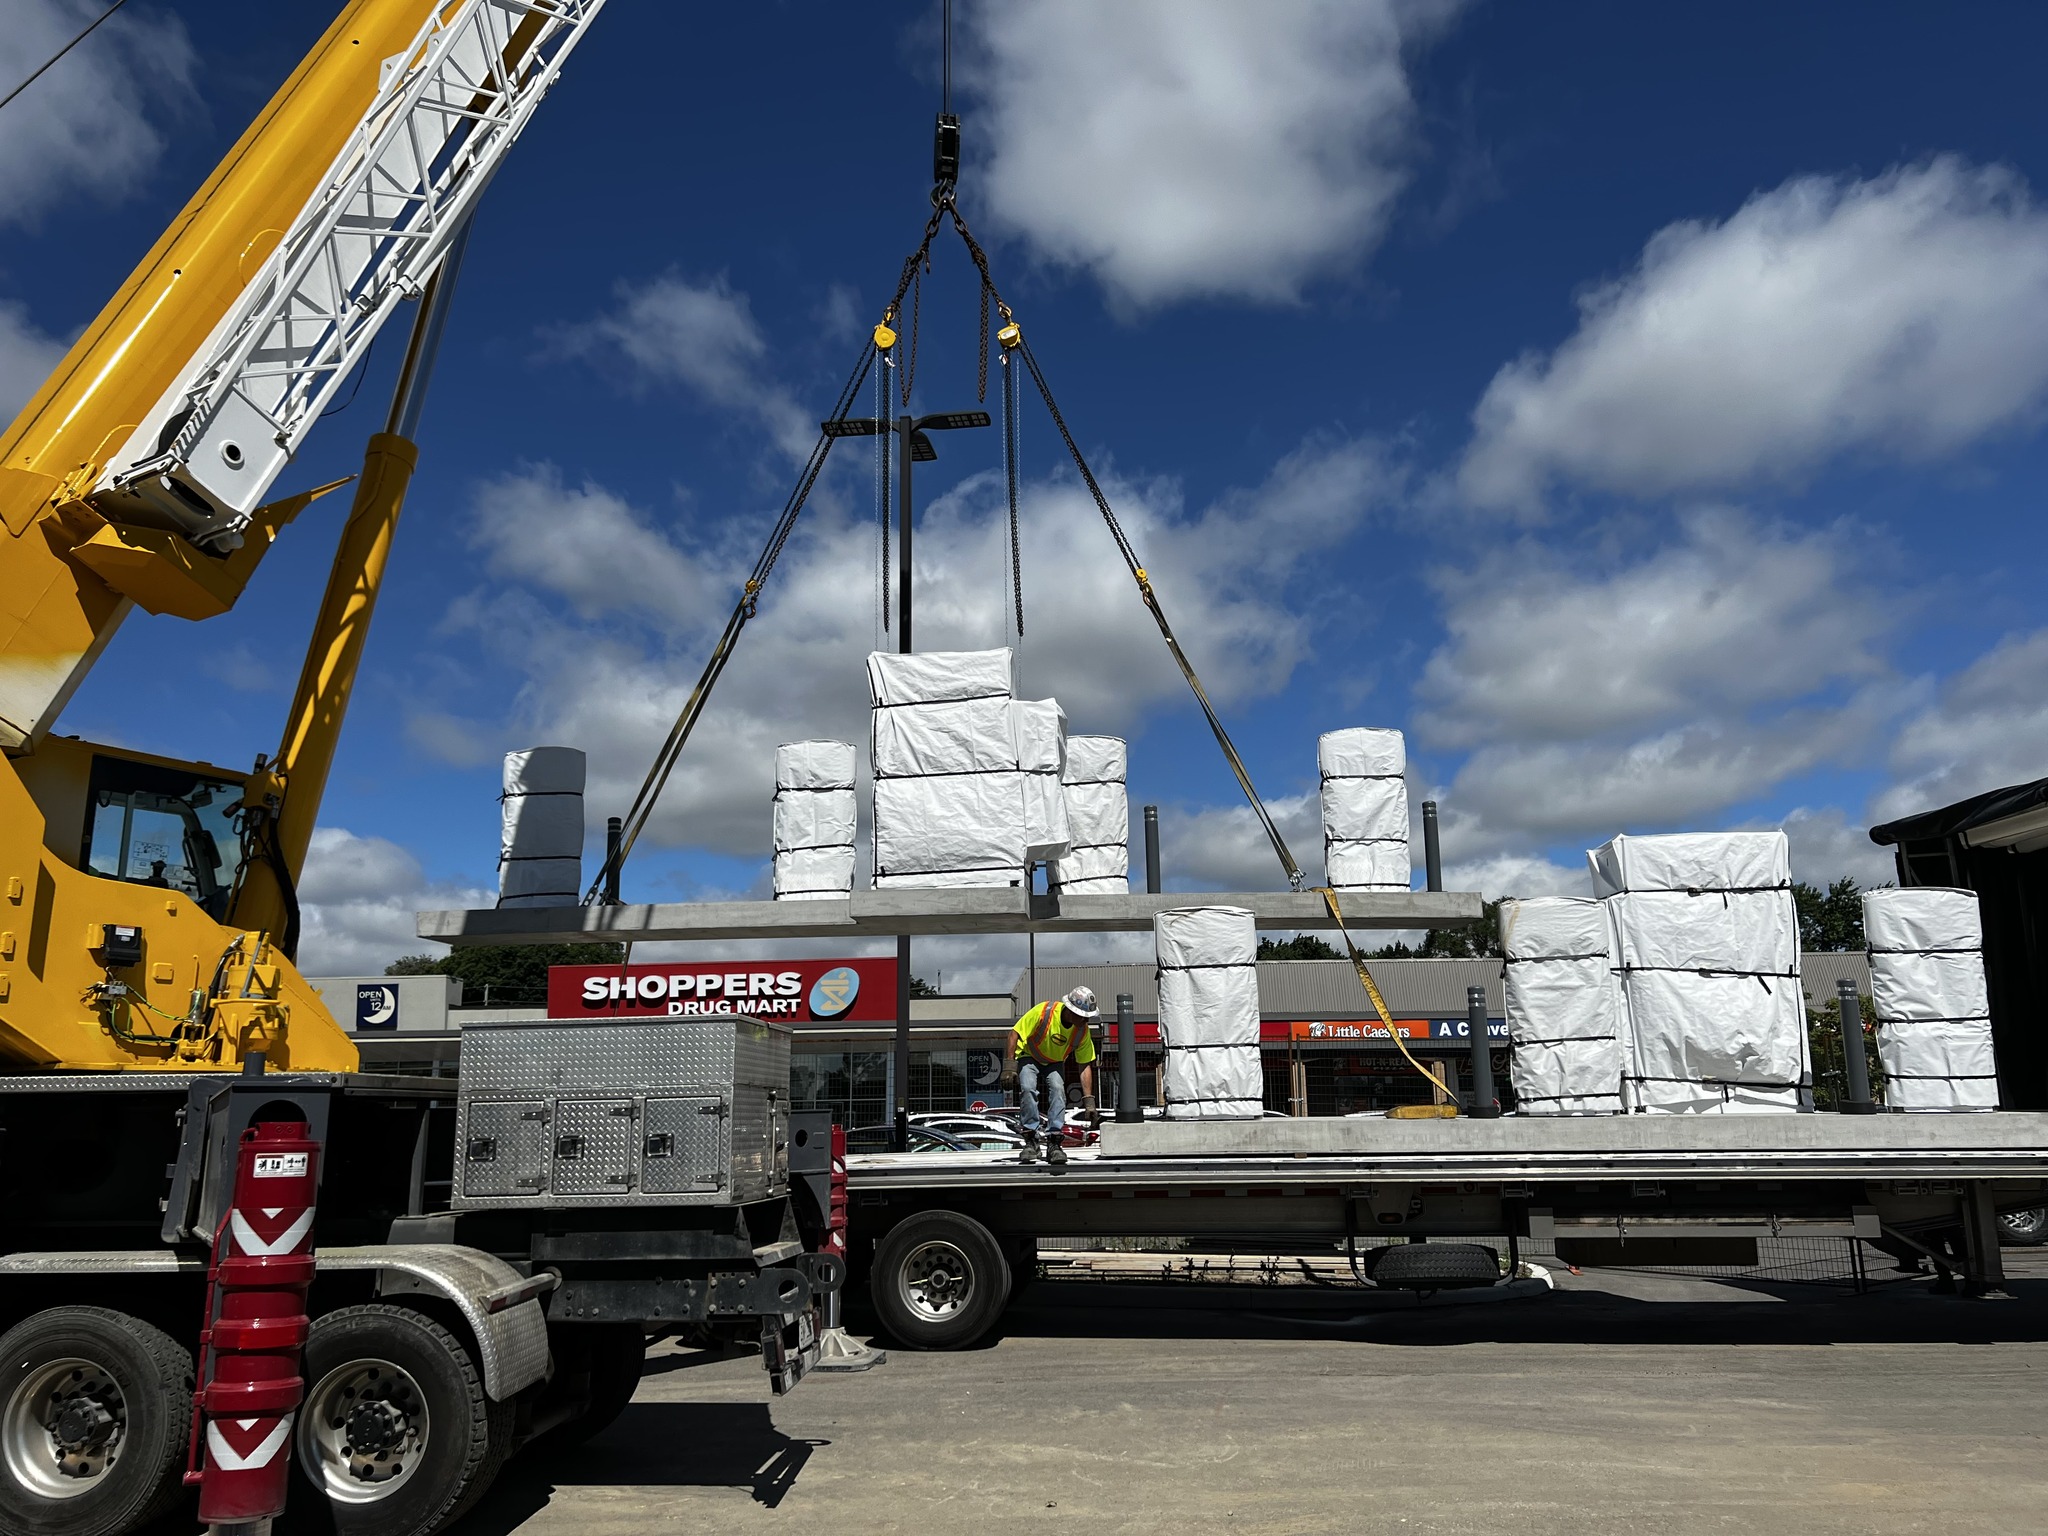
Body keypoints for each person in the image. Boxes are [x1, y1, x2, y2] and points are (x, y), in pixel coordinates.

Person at [1000, 985, 1099, 1165]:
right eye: (1083, 1016)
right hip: (1029, 1055)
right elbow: (1014, 1034)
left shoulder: (1082, 1031)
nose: (1086, 1020)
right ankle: (1031, 1140)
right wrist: (1009, 1066)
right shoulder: (1044, 1012)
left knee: (1058, 1090)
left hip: (1054, 1061)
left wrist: (1089, 1102)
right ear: (1071, 1010)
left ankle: (1054, 1142)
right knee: (1028, 1088)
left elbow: (1084, 1065)